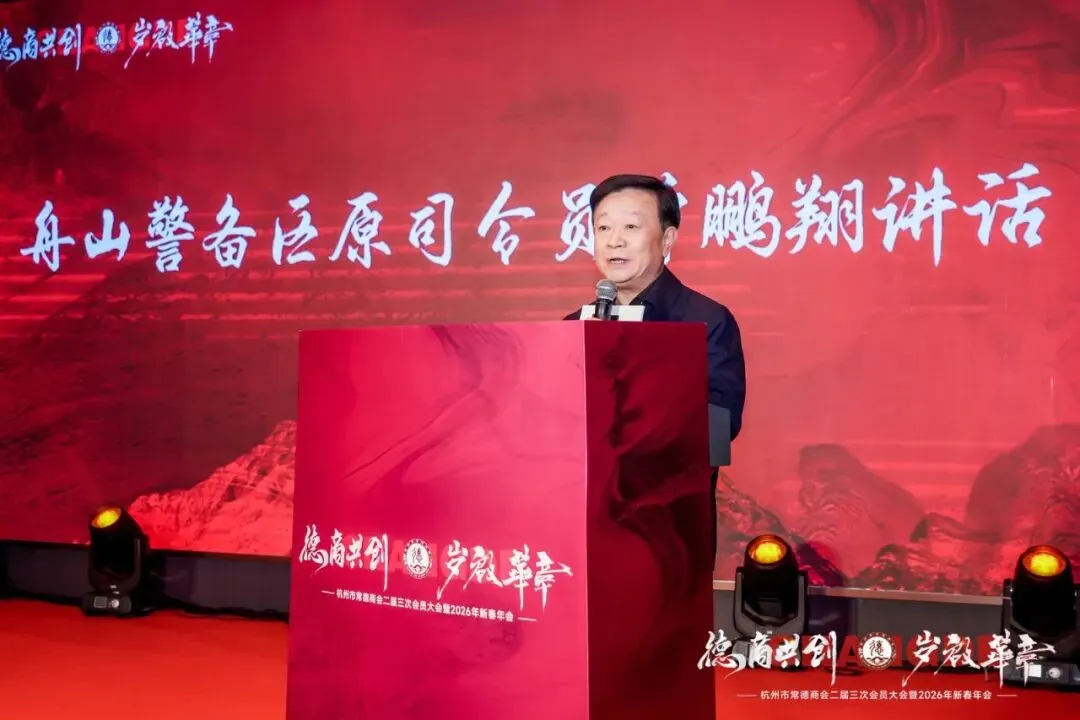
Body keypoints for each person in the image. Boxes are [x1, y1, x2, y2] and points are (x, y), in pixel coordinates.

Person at [564, 173, 746, 559]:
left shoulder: (705, 320)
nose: (614, 240)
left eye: (631, 227)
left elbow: (719, 429)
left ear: (667, 239)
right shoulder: (574, 326)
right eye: (603, 228)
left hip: (669, 539)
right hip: (581, 530)